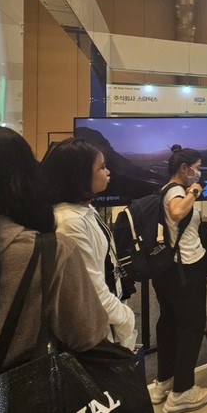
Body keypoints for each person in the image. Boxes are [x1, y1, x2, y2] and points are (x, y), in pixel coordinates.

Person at [0, 126, 109, 388]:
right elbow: (88, 334)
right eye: (101, 167)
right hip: (20, 393)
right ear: (21, 180)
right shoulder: (51, 251)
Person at [41, 138, 137, 351]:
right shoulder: (70, 222)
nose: (108, 172)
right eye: (101, 167)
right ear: (80, 175)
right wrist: (126, 318)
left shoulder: (83, 210)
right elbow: (91, 290)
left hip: (106, 320)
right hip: (95, 332)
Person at [148, 145, 207, 413]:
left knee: (169, 325)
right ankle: (182, 392)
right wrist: (194, 191)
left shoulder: (165, 189)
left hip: (168, 271)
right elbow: (176, 212)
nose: (199, 173)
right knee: (191, 327)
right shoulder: (176, 191)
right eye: (197, 168)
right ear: (184, 168)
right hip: (186, 269)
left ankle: (164, 382)